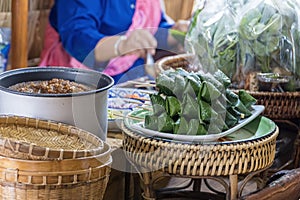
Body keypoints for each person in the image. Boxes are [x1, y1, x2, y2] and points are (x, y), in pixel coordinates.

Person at [40, 0, 189, 84]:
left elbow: (151, 30)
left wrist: (178, 33)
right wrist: (122, 45)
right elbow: (78, 38)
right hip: (80, 82)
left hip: (133, 81)